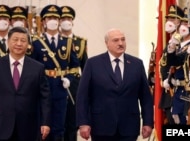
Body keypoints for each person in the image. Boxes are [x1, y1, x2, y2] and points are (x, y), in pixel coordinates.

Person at [76, 28, 154, 141]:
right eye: (116, 40)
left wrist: (148, 122)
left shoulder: (136, 64)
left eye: (123, 39)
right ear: (107, 43)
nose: (120, 43)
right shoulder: (93, 64)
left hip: (129, 127)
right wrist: (83, 123)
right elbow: (82, 96)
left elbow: (145, 97)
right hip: (101, 126)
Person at [0, 26, 51, 141]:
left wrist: (46, 122)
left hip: (28, 126)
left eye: (23, 40)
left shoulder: (37, 68)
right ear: (8, 42)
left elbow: (45, 98)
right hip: (0, 125)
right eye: (15, 39)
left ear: (28, 44)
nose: (19, 43)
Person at [31, 4, 80, 141]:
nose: (53, 20)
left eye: (55, 18)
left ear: (59, 21)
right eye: (49, 18)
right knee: (43, 124)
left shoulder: (68, 42)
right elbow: (31, 67)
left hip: (60, 87)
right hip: (43, 87)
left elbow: (75, 66)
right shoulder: (36, 43)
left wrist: (69, 78)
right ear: (44, 21)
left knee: (59, 126)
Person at [59, 5, 88, 141]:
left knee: (72, 120)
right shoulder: (53, 42)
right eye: (63, 18)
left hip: (75, 84)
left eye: (68, 18)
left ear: (72, 21)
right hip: (57, 81)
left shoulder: (80, 42)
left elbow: (85, 67)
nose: (66, 21)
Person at [158, 4, 184, 125]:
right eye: (168, 19)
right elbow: (164, 63)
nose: (169, 22)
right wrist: (164, 79)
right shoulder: (170, 41)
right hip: (169, 94)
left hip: (179, 93)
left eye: (173, 19)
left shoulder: (183, 43)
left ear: (180, 21)